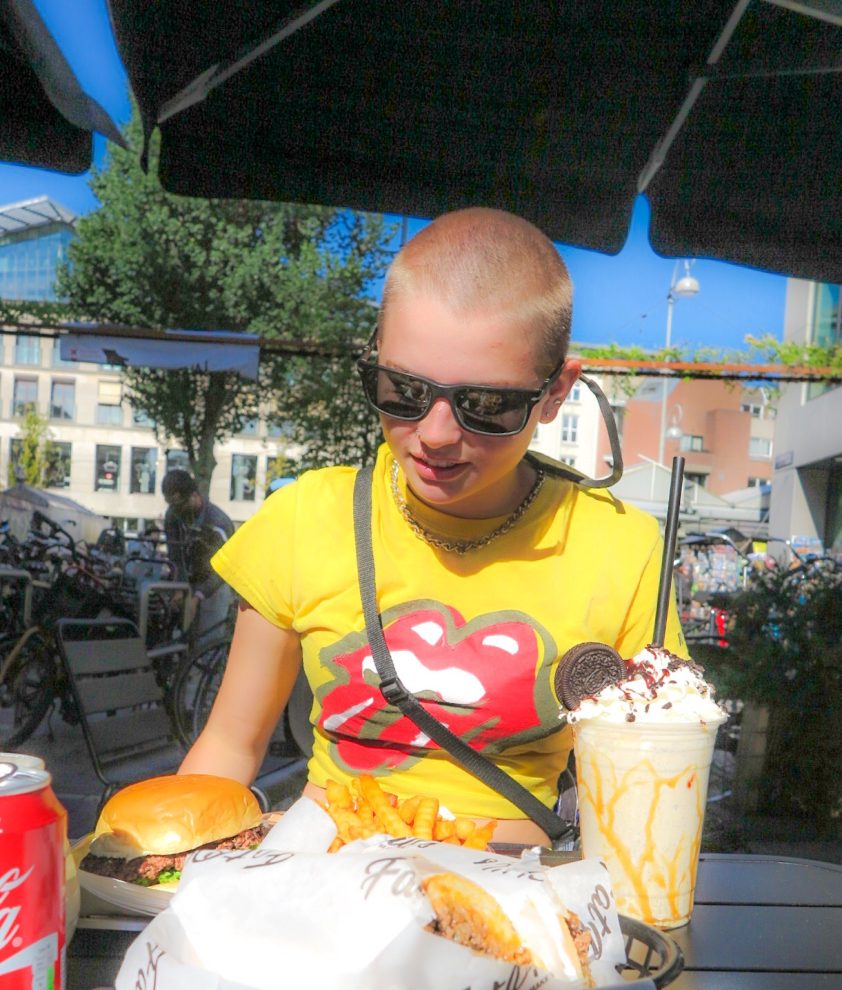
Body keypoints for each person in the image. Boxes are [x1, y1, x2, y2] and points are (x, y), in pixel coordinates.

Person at [180, 208, 686, 845]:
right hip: (316, 890)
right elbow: (229, 745)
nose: (436, 434)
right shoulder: (306, 517)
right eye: (402, 389)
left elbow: (649, 786)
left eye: (487, 405)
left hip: (516, 904)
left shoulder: (625, 551)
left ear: (556, 393)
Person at [161, 469, 235, 641]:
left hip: (216, 582)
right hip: (191, 579)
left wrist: (197, 596)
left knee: (208, 640)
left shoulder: (218, 523)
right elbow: (175, 555)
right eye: (170, 505)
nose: (175, 511)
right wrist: (179, 587)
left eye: (179, 505)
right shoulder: (172, 515)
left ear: (194, 495)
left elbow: (224, 569)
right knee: (182, 637)